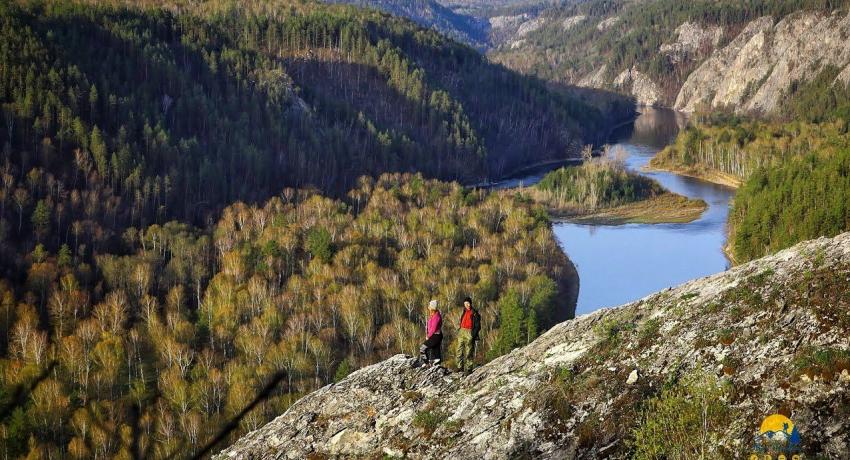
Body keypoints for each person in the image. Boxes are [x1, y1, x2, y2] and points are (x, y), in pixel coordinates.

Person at [455, 296, 480, 374]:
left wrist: (473, 334)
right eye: (465, 303)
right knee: (459, 350)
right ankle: (460, 367)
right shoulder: (464, 311)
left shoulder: (475, 313)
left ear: (470, 303)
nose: (466, 305)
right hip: (461, 331)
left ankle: (469, 369)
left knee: (469, 351)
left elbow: (478, 326)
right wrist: (460, 330)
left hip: (469, 332)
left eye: (468, 303)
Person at [418, 299, 443, 365]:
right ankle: (436, 363)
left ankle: (427, 363)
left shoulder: (436, 316)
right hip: (435, 335)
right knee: (436, 352)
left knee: (422, 349)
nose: (428, 307)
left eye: (429, 306)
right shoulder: (433, 315)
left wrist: (428, 336)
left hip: (435, 336)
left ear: (432, 307)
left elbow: (433, 328)